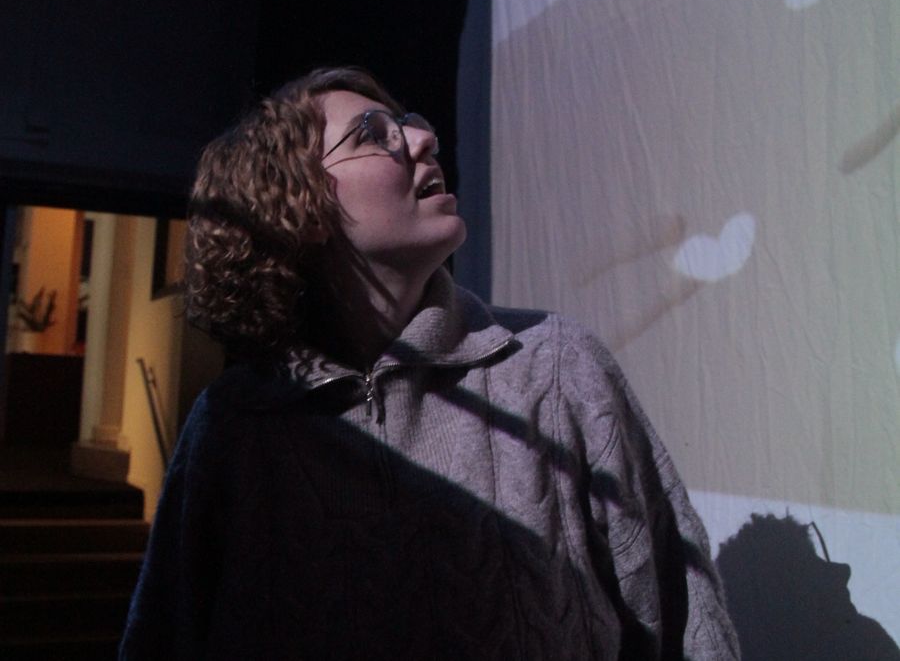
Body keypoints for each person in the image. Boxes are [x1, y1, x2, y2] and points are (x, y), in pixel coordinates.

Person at [119, 67, 739, 660]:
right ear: (295, 207)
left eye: (409, 124)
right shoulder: (236, 424)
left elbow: (686, 620)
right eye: (372, 134)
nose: (423, 139)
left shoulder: (557, 365)